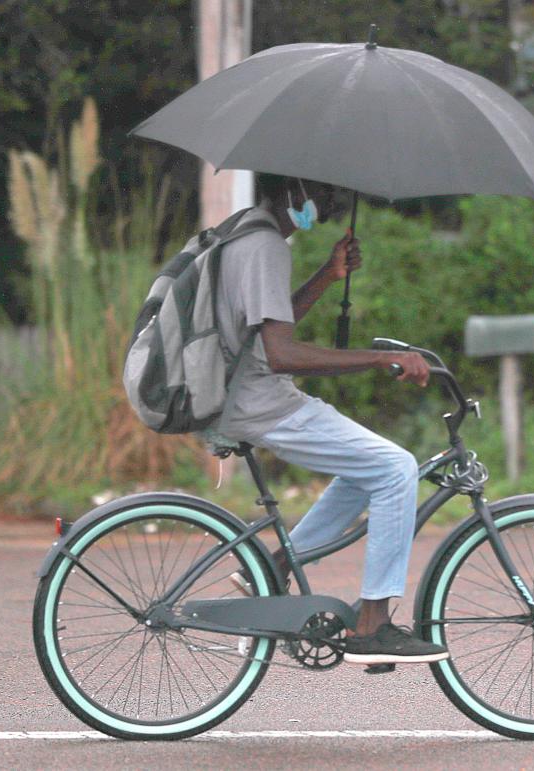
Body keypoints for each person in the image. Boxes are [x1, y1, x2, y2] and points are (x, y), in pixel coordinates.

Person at [212, 173, 449, 665]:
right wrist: (380, 359)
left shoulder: (250, 233)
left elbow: (266, 330)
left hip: (250, 394)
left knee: (368, 467)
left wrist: (326, 275)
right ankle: (374, 624)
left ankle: (275, 566)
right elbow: (280, 354)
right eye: (324, 194)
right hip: (260, 401)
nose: (331, 204)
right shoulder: (265, 246)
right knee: (395, 468)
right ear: (293, 190)